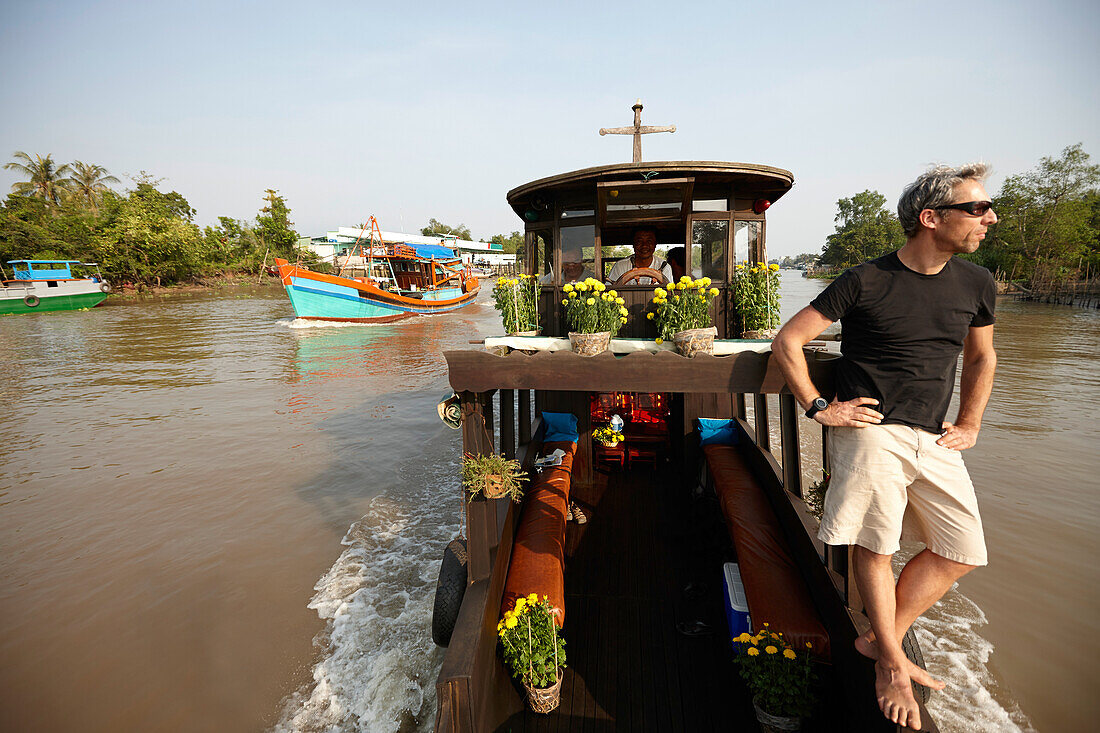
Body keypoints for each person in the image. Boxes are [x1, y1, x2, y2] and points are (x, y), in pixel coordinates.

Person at [771, 163, 999, 730]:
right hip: (871, 430)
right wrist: (820, 407)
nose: (989, 218)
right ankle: (892, 667)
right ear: (931, 218)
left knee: (963, 549)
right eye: (975, 209)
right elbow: (789, 340)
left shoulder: (977, 282)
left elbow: (980, 358)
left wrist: (970, 422)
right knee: (875, 545)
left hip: (936, 434)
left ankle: (881, 637)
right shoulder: (865, 279)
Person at [606, 227, 672, 285]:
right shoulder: (620, 266)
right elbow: (610, 292)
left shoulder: (665, 267)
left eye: (649, 241)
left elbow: (670, 293)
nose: (644, 246)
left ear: (655, 244)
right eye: (639, 241)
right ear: (633, 244)